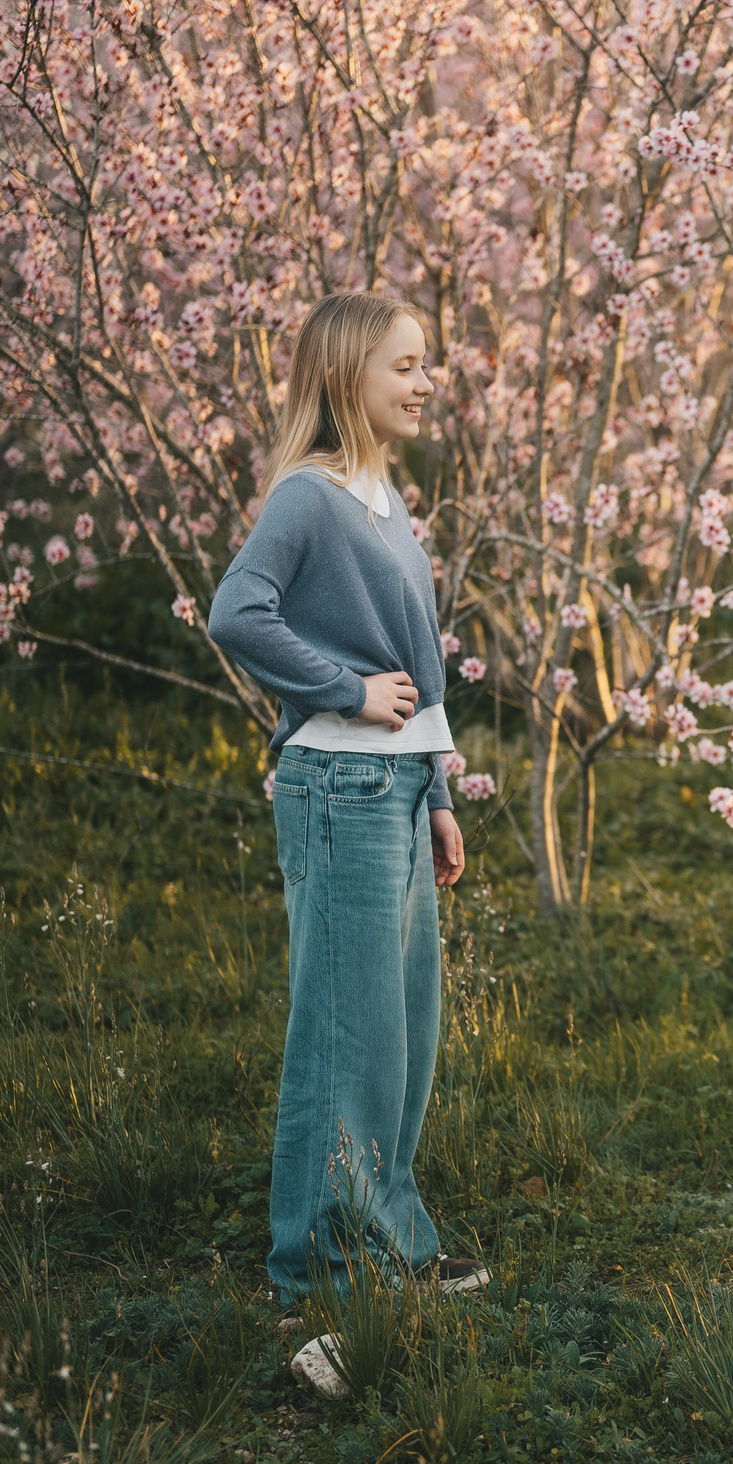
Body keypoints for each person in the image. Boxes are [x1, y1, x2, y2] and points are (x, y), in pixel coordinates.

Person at [208, 291, 486, 1314]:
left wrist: (440, 787)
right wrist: (342, 689)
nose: (425, 383)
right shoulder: (310, 495)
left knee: (402, 1028)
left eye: (426, 364)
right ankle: (316, 1269)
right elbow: (235, 610)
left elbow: (416, 657)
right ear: (344, 378)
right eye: (404, 365)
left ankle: (392, 1242)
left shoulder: (382, 495)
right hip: (341, 782)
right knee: (343, 1031)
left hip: (400, 789)